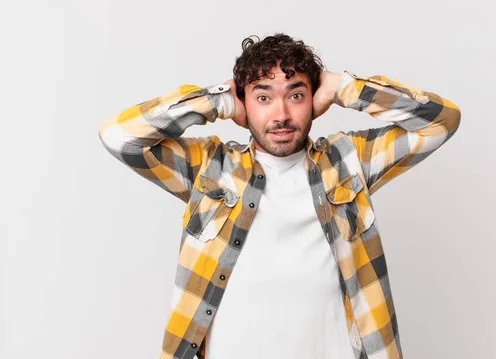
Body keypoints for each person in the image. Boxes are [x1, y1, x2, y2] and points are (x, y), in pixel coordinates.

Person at [98, 33, 461, 359]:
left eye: (296, 95)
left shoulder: (349, 160)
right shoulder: (209, 166)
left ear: (314, 100)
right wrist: (216, 101)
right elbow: (120, 136)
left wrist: (345, 88)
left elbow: (441, 121)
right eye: (263, 97)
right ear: (244, 104)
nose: (282, 114)